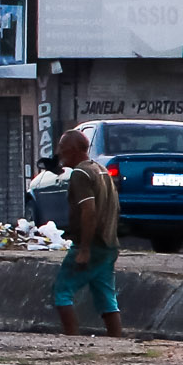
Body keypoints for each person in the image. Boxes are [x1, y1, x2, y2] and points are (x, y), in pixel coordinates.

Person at [51, 127, 124, 338]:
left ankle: (72, 339)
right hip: (109, 244)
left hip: (91, 244)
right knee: (106, 297)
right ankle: (116, 341)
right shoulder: (101, 170)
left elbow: (89, 212)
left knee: (62, 291)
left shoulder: (81, 174)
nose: (59, 154)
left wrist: (84, 249)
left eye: (62, 149)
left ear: (74, 150)